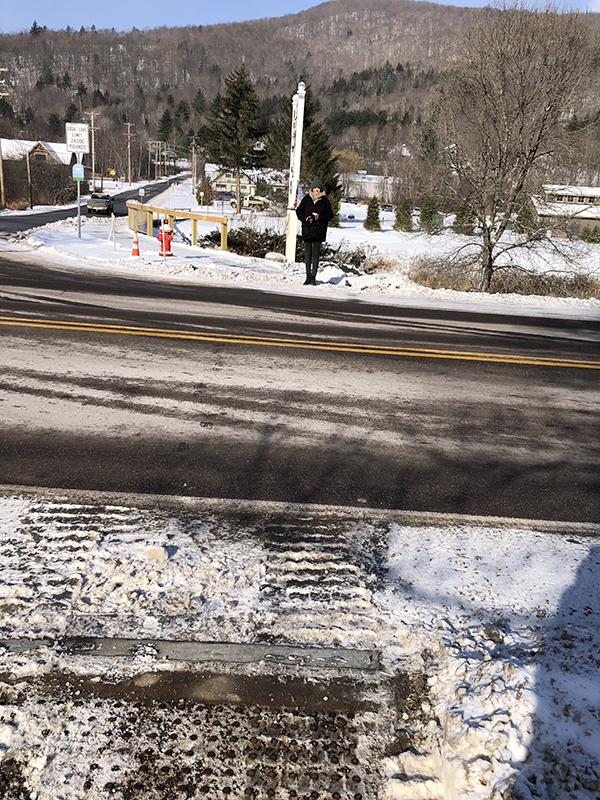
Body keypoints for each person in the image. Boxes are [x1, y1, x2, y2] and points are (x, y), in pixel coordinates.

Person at [295, 176, 334, 285]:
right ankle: (307, 276)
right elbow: (299, 212)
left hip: (319, 231)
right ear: (312, 189)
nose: (316, 190)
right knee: (308, 254)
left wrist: (319, 218)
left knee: (316, 254)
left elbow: (330, 215)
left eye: (318, 188)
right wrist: (306, 218)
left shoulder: (325, 201)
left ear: (321, 189)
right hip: (307, 229)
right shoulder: (306, 199)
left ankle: (313, 277)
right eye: (314, 188)